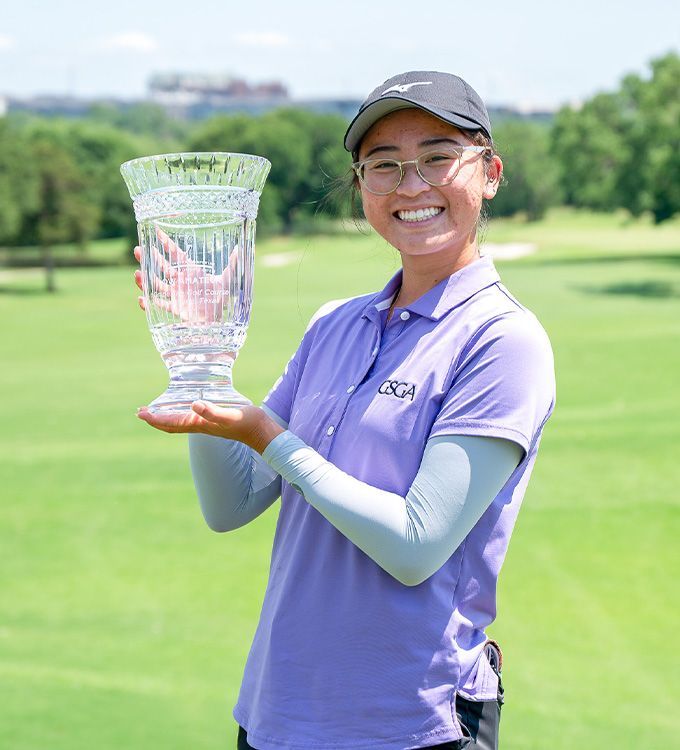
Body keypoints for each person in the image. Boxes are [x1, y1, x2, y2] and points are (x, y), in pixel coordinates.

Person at [135, 70, 556, 750]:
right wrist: (203, 363)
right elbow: (230, 506)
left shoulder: (502, 341)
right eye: (383, 165)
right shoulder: (335, 325)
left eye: (437, 158)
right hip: (278, 714)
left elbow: (416, 546)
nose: (411, 185)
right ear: (362, 186)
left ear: (491, 172)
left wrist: (269, 436)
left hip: (407, 725)